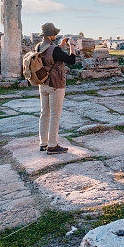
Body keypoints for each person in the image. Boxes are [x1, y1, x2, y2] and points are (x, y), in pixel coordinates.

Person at [36, 22, 77, 153]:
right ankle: (53, 145)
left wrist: (60, 46)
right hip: (55, 84)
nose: (56, 35)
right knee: (55, 115)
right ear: (51, 35)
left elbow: (50, 55)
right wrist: (72, 46)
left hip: (42, 84)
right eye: (55, 33)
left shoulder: (38, 46)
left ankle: (43, 143)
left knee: (44, 114)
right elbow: (71, 60)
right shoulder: (56, 50)